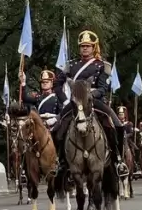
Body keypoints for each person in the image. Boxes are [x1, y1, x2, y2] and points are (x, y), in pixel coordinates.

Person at [52, 30, 124, 172]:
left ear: (94, 47)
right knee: (56, 128)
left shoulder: (103, 65)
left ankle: (118, 159)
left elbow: (103, 88)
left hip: (94, 101)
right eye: (82, 46)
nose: (85, 48)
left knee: (117, 125)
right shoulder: (71, 65)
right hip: (75, 103)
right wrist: (66, 101)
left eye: (88, 45)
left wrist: (90, 95)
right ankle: (59, 160)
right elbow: (57, 85)